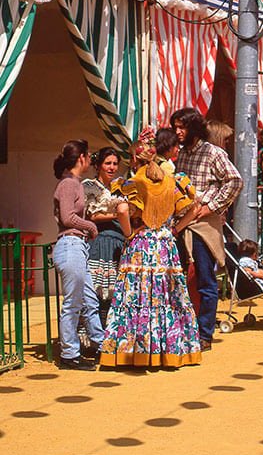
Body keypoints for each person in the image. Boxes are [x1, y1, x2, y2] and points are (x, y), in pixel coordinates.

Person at [100, 134, 201, 368]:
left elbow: (123, 209)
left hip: (140, 247)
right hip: (165, 245)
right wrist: (175, 229)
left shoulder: (133, 183)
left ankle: (136, 351)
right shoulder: (172, 181)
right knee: (168, 297)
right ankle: (171, 352)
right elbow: (193, 208)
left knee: (138, 297)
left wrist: (128, 233)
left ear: (134, 159)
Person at [172, 107, 243, 352]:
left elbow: (235, 180)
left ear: (194, 128)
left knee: (205, 278)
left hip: (203, 225)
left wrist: (212, 206)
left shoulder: (213, 153)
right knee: (182, 278)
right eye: (176, 128)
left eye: (182, 127)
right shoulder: (179, 155)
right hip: (181, 224)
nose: (178, 132)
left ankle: (205, 333)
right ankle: (184, 328)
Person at [52, 140, 104, 370]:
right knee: (73, 303)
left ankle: (100, 346)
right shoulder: (68, 184)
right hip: (70, 244)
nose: (90, 159)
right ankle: (69, 354)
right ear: (81, 157)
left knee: (90, 299)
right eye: (89, 155)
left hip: (76, 245)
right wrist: (91, 226)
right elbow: (67, 217)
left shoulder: (74, 183)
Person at [83, 146, 131, 326]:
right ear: (98, 165)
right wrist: (119, 215)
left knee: (114, 294)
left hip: (118, 244)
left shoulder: (121, 186)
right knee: (96, 292)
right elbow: (91, 215)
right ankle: (92, 338)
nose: (111, 167)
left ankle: (109, 336)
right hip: (99, 242)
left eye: (115, 164)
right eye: (107, 163)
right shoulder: (89, 186)